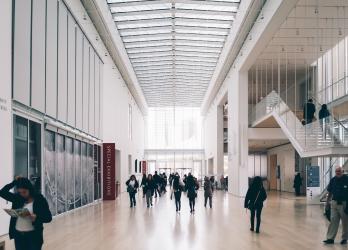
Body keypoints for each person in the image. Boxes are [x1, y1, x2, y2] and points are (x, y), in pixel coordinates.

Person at [0, 177, 52, 250]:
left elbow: (48, 217)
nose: (22, 194)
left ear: (29, 189)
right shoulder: (18, 198)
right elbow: (2, 192)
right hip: (19, 236)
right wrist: (15, 182)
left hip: (33, 237)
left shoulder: (39, 199)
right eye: (20, 192)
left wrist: (36, 217)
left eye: (24, 192)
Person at [323, 167, 348, 245]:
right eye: (336, 171)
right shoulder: (333, 180)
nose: (337, 172)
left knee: (345, 222)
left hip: (344, 203)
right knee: (333, 220)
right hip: (334, 203)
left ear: (342, 172)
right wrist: (327, 203)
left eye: (339, 171)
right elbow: (330, 192)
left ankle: (344, 238)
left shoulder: (346, 179)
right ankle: (330, 238)